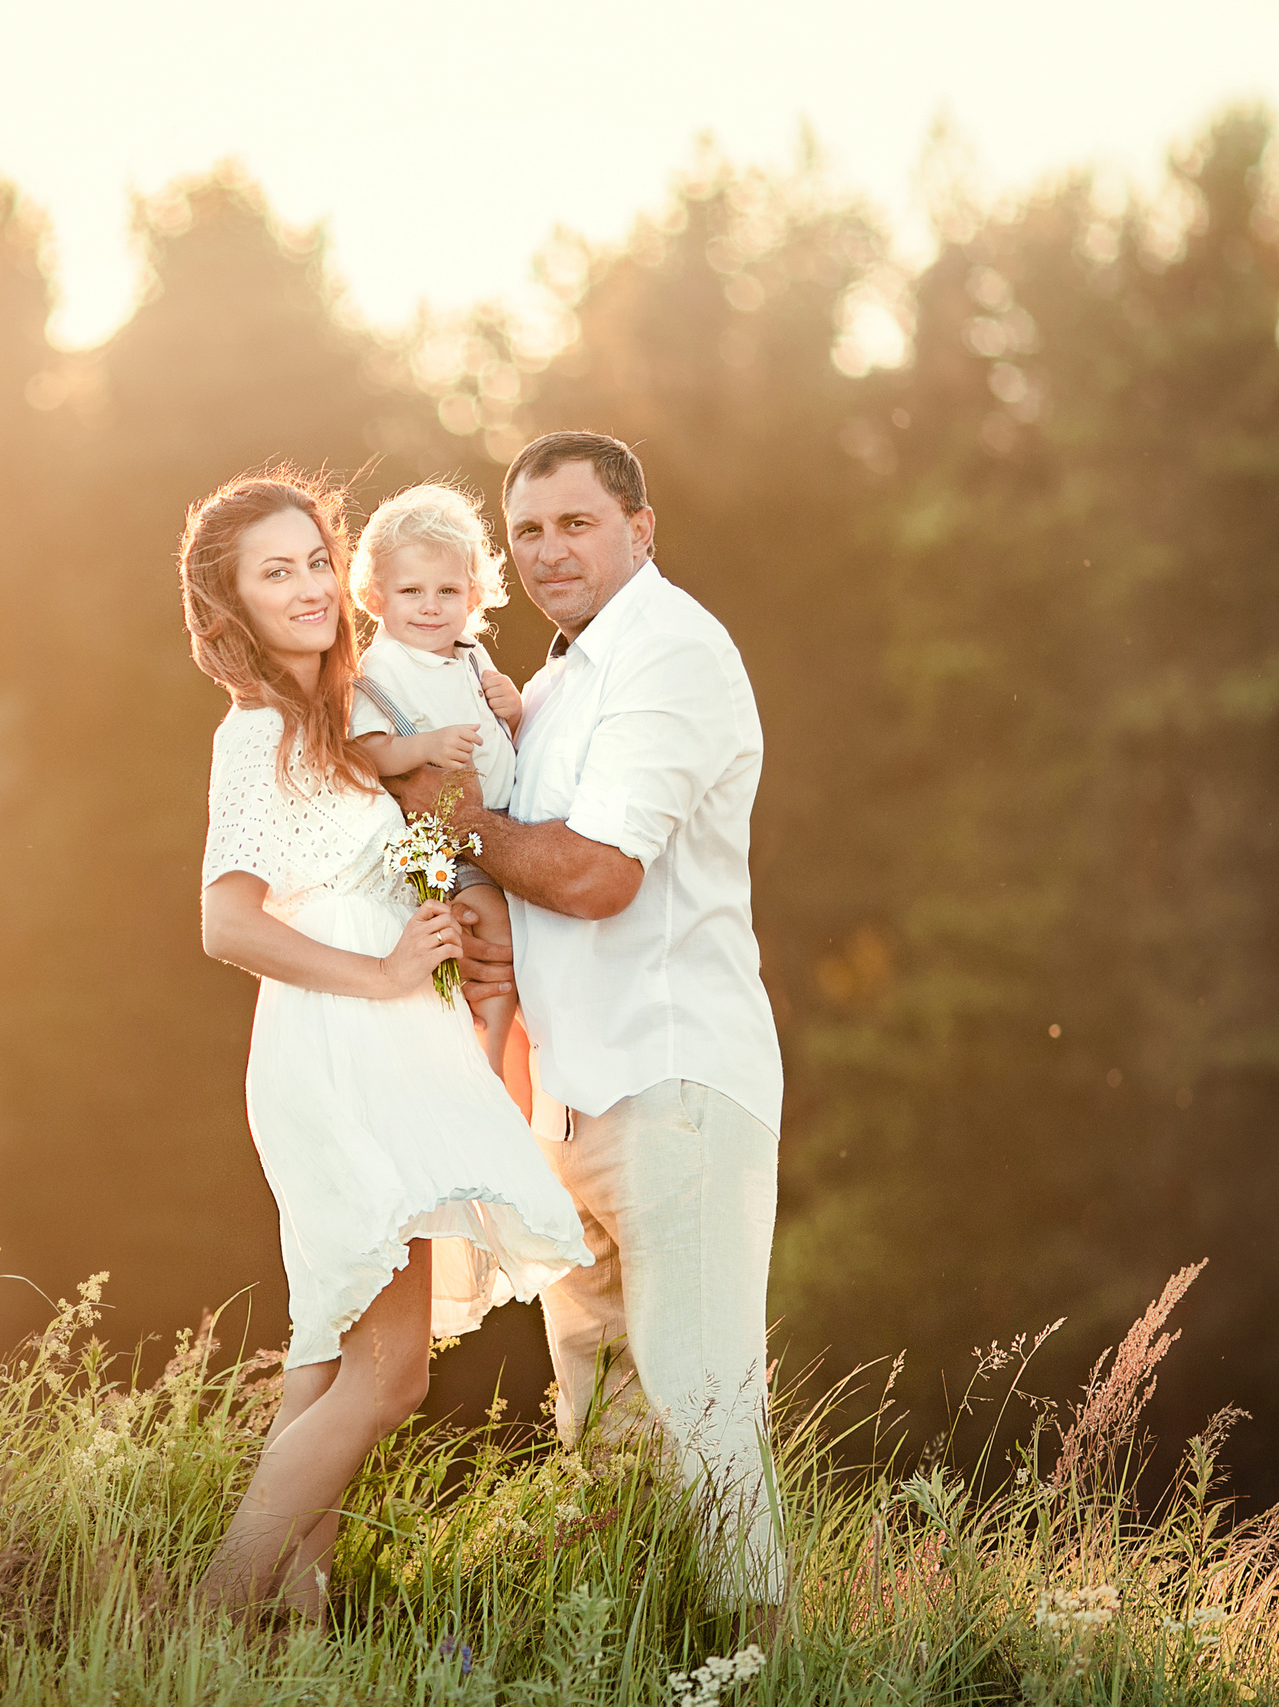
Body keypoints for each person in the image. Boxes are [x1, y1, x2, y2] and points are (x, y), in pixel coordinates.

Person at [384, 431, 788, 1615]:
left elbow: (602, 874)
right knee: (599, 1431)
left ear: (639, 528)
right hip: (567, 1104)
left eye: (577, 523)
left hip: (675, 1090)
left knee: (706, 1409)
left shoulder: (671, 653)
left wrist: (447, 815)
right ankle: (632, 1665)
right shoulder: (552, 684)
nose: (550, 550)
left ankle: (766, 1678)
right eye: (527, 532)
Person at [180, 470, 591, 1621]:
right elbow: (224, 920)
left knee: (330, 1354)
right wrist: (380, 971)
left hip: (391, 1037)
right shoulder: (259, 731)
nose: (309, 587)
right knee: (388, 1372)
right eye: (276, 573)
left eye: (315, 558)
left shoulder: (343, 718)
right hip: (339, 1044)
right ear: (232, 603)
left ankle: (288, 1630)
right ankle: (208, 1611)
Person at [345, 482, 531, 1076]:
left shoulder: (471, 656)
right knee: (493, 935)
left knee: (536, 950)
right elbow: (369, 752)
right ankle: (490, 1060)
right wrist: (425, 746)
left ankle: (523, 1061)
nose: (430, 607)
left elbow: (506, 743)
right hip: (454, 840)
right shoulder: (380, 670)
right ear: (376, 597)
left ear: (474, 594)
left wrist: (515, 709)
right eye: (411, 592)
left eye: (448, 591)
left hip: (513, 824)